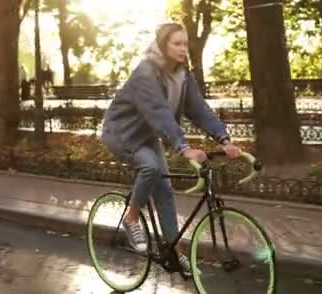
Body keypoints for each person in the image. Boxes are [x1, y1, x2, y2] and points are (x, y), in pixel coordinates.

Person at [101, 23, 241, 274]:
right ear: (163, 45)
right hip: (122, 133)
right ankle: (131, 218)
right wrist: (183, 148)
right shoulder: (145, 72)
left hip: (148, 136)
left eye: (185, 44)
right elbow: (159, 112)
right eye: (176, 43)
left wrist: (223, 139)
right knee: (151, 167)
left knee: (165, 191)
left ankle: (175, 252)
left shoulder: (183, 76)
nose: (183, 49)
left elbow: (199, 109)